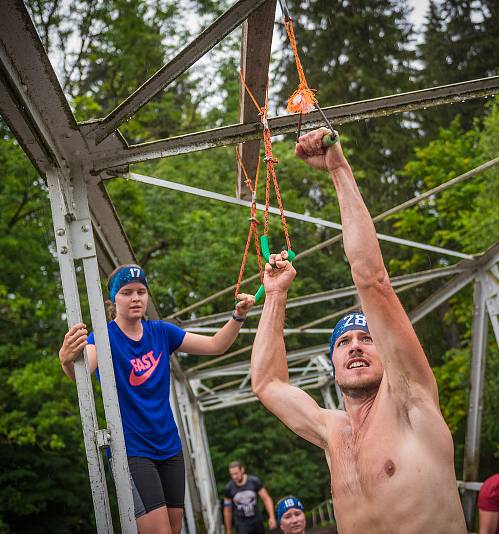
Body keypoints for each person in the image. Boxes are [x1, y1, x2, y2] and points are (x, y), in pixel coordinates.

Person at [250, 128, 466, 533]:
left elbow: (372, 281)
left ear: (387, 352)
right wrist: (275, 296)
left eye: (367, 338)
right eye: (344, 342)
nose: (355, 347)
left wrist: (338, 169)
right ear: (332, 365)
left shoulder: (410, 402)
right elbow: (266, 383)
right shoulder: (332, 432)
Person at [59, 264, 255, 534]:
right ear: (113, 300)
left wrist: (238, 315)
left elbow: (216, 345)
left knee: (174, 530)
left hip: (170, 447)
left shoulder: (162, 332)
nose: (136, 298)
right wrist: (66, 360)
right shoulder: (103, 339)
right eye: (127, 292)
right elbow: (79, 374)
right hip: (133, 450)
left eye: (141, 291)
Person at [223, 460, 277, 534]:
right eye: (232, 474)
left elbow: (266, 498)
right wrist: (228, 530)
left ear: (242, 470)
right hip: (241, 523)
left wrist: (272, 517)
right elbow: (227, 510)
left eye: (236, 473)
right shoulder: (228, 488)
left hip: (256, 519)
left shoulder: (254, 481)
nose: (234, 477)